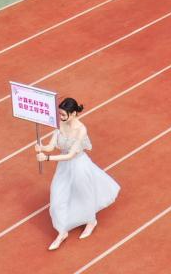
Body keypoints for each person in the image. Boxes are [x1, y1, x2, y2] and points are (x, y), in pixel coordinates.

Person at [34, 97, 120, 250]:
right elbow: (51, 146)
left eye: (63, 114)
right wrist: (42, 148)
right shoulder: (60, 125)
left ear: (73, 113)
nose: (60, 117)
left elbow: (70, 155)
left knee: (84, 195)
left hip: (79, 166)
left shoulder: (81, 130)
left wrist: (46, 158)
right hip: (63, 168)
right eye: (60, 114)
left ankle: (91, 221)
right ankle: (62, 231)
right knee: (56, 199)